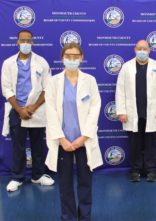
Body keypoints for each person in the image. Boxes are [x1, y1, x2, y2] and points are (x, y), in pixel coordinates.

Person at [45, 42, 103, 221]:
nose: (71, 59)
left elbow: (95, 108)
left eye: (75, 56)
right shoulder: (54, 82)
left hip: (84, 141)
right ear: (62, 58)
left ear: (81, 58)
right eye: (68, 56)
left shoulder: (90, 81)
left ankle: (85, 217)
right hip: (63, 142)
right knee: (65, 184)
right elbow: (51, 111)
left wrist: (83, 137)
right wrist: (62, 139)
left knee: (85, 182)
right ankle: (68, 217)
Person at [1, 30, 54, 192]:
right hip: (17, 110)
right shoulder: (8, 63)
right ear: (17, 42)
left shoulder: (41, 62)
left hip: (36, 110)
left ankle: (38, 175)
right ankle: (17, 177)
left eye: (28, 40)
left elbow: (47, 88)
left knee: (38, 145)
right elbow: (6, 89)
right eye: (22, 40)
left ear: (32, 42)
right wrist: (19, 109)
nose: (25, 43)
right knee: (18, 146)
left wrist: (33, 107)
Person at [115, 40, 156, 182]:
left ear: (150, 50)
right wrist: (121, 111)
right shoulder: (127, 67)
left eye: (145, 48)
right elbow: (120, 91)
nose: (142, 51)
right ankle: (135, 171)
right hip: (132, 114)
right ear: (135, 49)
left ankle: (151, 170)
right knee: (135, 144)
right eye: (139, 48)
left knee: (150, 144)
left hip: (152, 113)